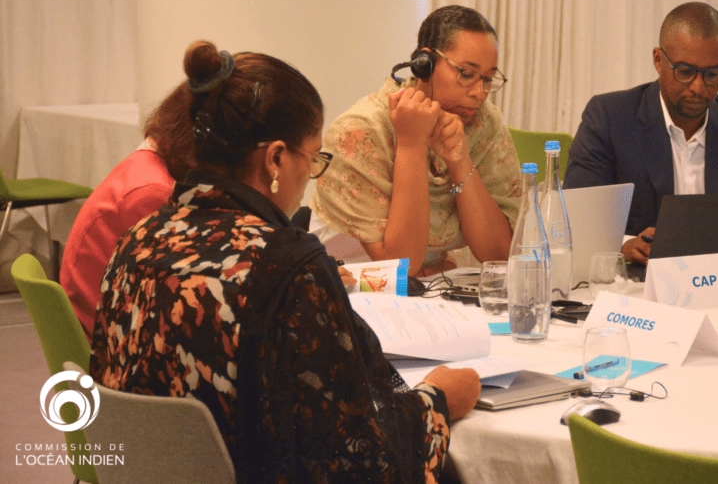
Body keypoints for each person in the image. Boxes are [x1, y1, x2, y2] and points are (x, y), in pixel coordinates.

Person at [90, 41, 481, 484]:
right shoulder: (287, 268)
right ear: (275, 158)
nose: (310, 175)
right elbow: (361, 462)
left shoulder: (136, 242)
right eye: (313, 158)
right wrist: (437, 400)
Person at [564, 2, 718, 264]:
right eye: (685, 72)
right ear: (658, 60)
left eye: (713, 74)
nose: (698, 87)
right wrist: (624, 247)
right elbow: (577, 222)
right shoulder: (609, 118)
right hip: (640, 280)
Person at [310, 5, 521, 275]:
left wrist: (460, 162)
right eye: (467, 74)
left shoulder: (484, 125)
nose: (480, 93)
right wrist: (411, 144)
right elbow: (399, 269)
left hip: (426, 283)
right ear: (424, 64)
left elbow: (500, 255)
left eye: (488, 79)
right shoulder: (361, 130)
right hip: (347, 279)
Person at [61, 80, 197, 339]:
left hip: (98, 320)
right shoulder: (153, 191)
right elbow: (168, 297)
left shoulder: (147, 165)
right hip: (105, 339)